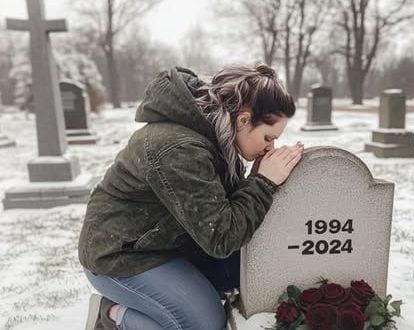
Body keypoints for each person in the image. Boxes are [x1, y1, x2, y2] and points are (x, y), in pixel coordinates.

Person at [79, 63, 304, 330]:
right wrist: (262, 183)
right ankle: (113, 315)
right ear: (243, 120)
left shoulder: (216, 135)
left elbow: (222, 212)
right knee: (203, 325)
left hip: (167, 244)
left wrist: (257, 181)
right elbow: (220, 237)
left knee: (238, 273)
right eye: (268, 137)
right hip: (121, 256)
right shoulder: (180, 150)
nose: (271, 147)